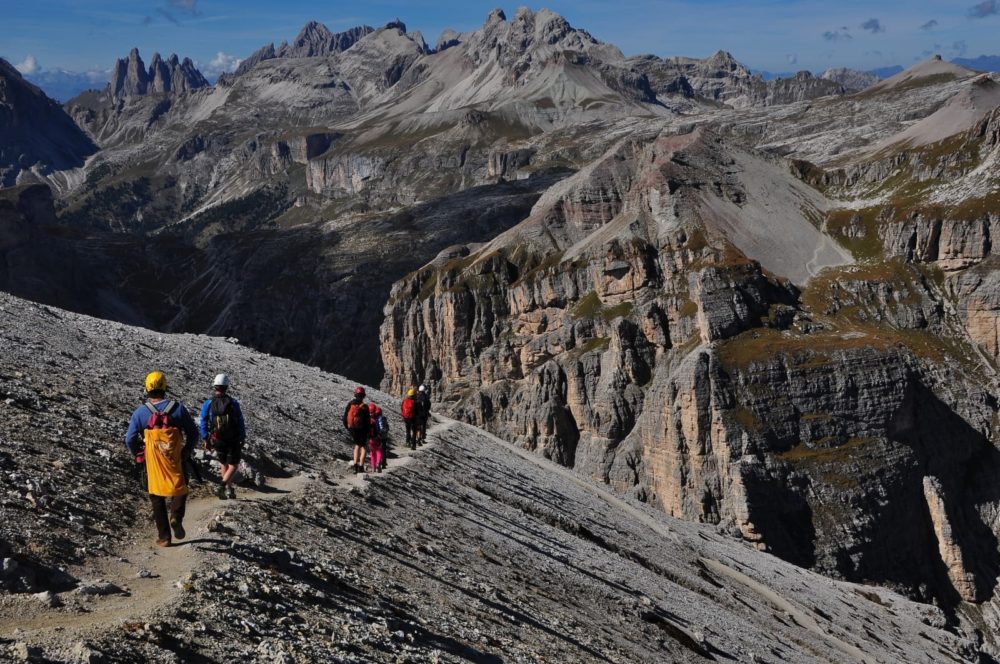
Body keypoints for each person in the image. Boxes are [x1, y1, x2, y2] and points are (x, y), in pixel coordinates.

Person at [124, 371, 199, 547]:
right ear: (165, 387)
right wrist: (187, 450)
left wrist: (138, 454)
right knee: (180, 486)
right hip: (175, 457)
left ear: (147, 389)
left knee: (156, 496)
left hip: (153, 460)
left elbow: (129, 439)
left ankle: (164, 537)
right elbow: (193, 433)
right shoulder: (178, 408)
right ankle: (176, 516)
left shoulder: (140, 412)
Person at [200, 374, 246, 500]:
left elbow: (203, 421)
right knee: (234, 465)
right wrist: (242, 436)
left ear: (215, 386)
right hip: (233, 438)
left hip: (217, 438)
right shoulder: (233, 402)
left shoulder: (208, 403)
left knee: (223, 463)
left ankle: (228, 490)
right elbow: (240, 420)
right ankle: (222, 485)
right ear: (226, 387)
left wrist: (205, 437)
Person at [343, 386, 370, 474]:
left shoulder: (350, 404)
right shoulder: (364, 407)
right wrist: (368, 431)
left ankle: (355, 465)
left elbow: (344, 417)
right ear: (363, 396)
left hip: (352, 429)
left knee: (356, 445)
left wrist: (348, 427)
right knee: (364, 446)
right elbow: (367, 421)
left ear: (355, 394)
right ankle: (361, 466)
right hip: (362, 429)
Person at [367, 403, 387, 473]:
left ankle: (373, 467)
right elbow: (382, 429)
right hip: (378, 437)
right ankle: (379, 463)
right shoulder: (378, 418)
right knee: (379, 451)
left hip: (370, 439)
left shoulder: (367, 419)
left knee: (372, 453)